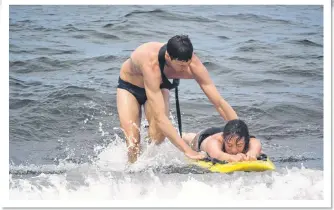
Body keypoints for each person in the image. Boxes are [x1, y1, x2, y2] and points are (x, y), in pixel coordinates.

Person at [117, 34, 238, 163]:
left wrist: (241, 134)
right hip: (130, 89)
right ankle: (132, 171)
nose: (185, 69)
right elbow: (160, 118)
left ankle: (148, 155)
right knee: (133, 142)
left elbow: (218, 102)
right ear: (168, 57)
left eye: (188, 63)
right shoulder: (151, 65)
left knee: (157, 138)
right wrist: (188, 151)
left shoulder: (193, 64)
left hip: (158, 88)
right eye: (181, 66)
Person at [182, 119, 262, 162]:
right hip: (205, 136)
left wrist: (252, 153)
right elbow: (217, 155)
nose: (234, 150)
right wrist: (232, 157)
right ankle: (182, 134)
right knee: (189, 138)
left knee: (234, 138)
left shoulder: (246, 139)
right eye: (229, 145)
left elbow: (256, 143)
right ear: (223, 140)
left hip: (230, 134)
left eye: (239, 145)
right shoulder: (214, 142)